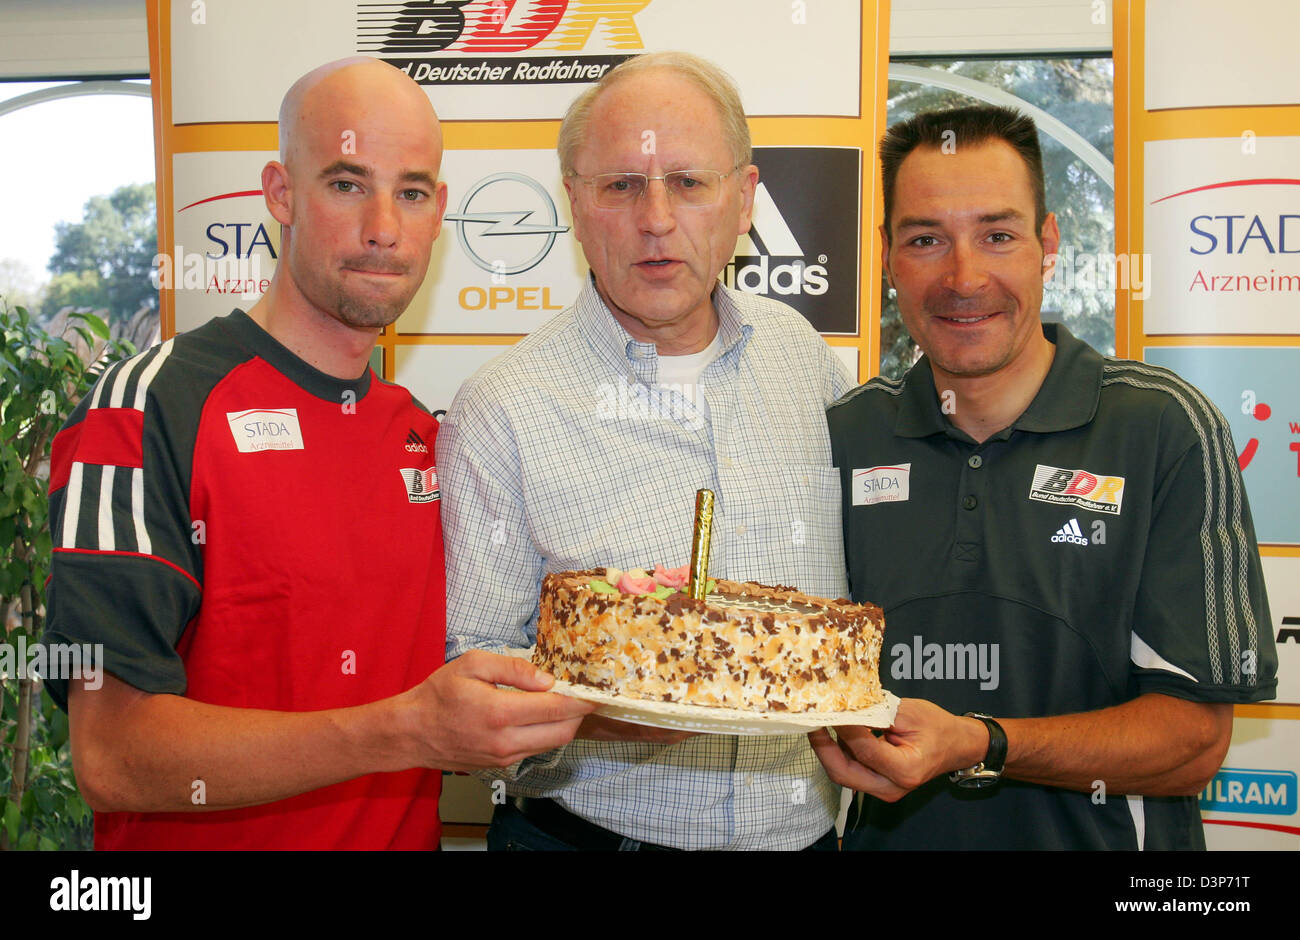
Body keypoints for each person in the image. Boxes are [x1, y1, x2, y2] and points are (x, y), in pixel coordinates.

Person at [42, 57, 594, 850]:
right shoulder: (152, 403)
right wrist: (407, 732)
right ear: (280, 194)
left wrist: (671, 703)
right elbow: (112, 755)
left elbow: (490, 678)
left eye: (409, 192)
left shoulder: (427, 436)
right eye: (345, 183)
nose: (382, 226)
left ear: (439, 211)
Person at [814, 105, 1277, 849]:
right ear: (886, 256)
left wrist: (982, 743)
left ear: (1047, 244)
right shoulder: (845, 435)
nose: (964, 277)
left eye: (997, 235)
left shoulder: (1162, 428)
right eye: (926, 239)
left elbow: (1194, 744)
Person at [438, 51, 856, 850]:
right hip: (586, 839)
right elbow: (477, 676)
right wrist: (636, 710)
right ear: (574, 200)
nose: (656, 219)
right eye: (621, 185)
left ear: (744, 200)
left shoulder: (802, 357)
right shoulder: (505, 407)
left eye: (690, 183)